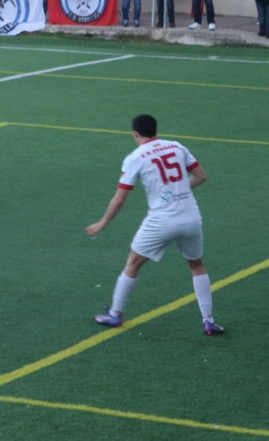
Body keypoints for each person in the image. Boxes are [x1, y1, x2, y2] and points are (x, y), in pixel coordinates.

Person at [85, 114, 224, 336]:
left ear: (135, 134)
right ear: (156, 130)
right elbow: (201, 176)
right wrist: (179, 192)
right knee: (197, 266)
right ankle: (208, 320)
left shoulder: (135, 157)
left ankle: (115, 314)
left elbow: (120, 198)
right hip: (190, 217)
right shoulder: (177, 146)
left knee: (133, 262)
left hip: (161, 221)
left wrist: (102, 223)